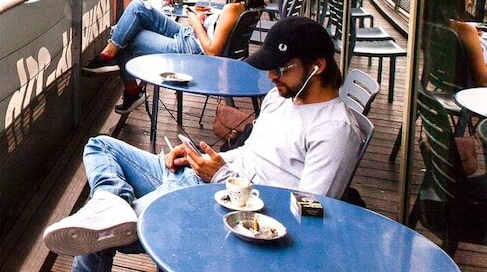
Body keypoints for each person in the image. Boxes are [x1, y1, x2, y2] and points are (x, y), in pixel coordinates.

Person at [44, 17, 363, 269]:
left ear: (316, 67)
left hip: (222, 203)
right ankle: (109, 202)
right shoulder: (281, 98)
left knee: (98, 235)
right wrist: (199, 156)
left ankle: (108, 208)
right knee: (101, 146)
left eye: (280, 69)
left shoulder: (334, 131)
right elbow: (251, 153)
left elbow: (306, 213)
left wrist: (221, 176)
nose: (271, 77)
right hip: (205, 177)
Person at [83, 0, 264, 114]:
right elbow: (219, 37)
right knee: (138, 7)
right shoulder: (246, 8)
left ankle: (114, 63)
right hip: (189, 38)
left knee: (129, 37)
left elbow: (213, 52)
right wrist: (204, 22)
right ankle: (114, 58)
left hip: (191, 51)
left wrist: (195, 23)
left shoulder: (232, 9)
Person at [424, 0, 487, 86]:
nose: (470, 1)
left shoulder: (434, 24)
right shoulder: (466, 31)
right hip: (472, 92)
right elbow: (483, 80)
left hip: (448, 83)